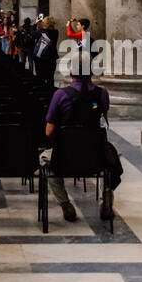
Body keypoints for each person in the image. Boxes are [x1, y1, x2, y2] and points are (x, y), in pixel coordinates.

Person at [41, 70, 111, 222]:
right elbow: (103, 119)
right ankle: (105, 198)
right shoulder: (102, 94)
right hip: (94, 157)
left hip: (65, 157)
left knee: (46, 161)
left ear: (72, 73)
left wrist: (63, 138)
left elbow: (49, 130)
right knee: (110, 161)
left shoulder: (60, 95)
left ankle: (65, 203)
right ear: (91, 72)